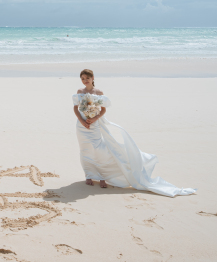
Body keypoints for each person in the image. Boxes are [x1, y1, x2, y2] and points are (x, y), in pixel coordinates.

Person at [73, 69, 195, 197]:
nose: (85, 80)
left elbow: (103, 110)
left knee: (99, 149)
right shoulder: (79, 92)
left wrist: (95, 118)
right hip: (81, 126)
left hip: (94, 125)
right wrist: (81, 120)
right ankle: (89, 175)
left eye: (87, 78)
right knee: (85, 149)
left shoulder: (99, 93)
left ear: (93, 78)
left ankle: (103, 175)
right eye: (82, 78)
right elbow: (75, 107)